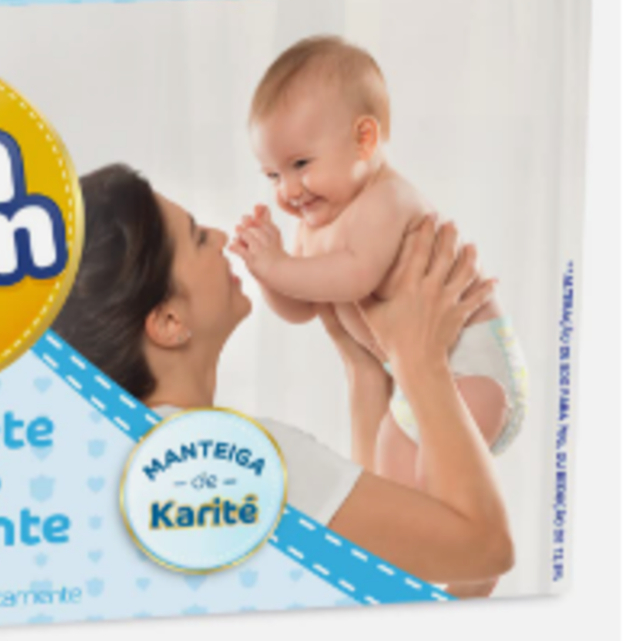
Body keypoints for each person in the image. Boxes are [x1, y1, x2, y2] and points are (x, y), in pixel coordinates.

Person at [52, 163, 514, 589]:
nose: (219, 236)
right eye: (197, 237)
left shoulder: (140, 465)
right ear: (169, 321)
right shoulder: (235, 462)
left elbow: (383, 568)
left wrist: (364, 372)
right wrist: (420, 360)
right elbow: (484, 551)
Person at [230, 35, 527, 494]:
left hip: (476, 368)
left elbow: (354, 277)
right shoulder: (314, 222)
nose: (287, 190)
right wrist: (267, 272)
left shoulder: (386, 199)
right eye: (273, 175)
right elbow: (302, 307)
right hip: (414, 377)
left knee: (431, 489)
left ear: (364, 139)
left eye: (301, 163)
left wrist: (279, 266)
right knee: (390, 483)